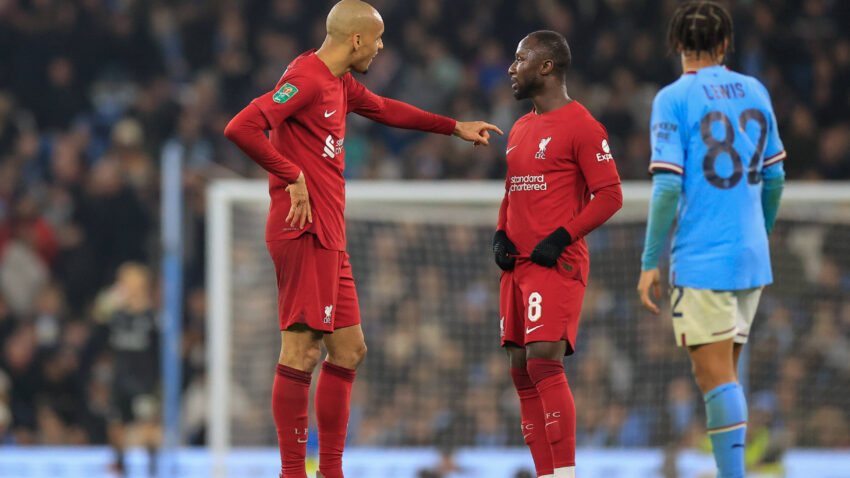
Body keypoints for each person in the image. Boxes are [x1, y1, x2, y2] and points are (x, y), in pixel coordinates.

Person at [223, 1, 502, 477]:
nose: (381, 45)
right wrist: (290, 174)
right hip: (303, 231)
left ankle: (331, 470)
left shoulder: (339, 82)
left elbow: (384, 109)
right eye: (377, 38)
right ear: (356, 39)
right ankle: (294, 472)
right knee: (301, 352)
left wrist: (452, 126)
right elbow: (241, 126)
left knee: (350, 349)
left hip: (331, 235)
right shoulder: (308, 79)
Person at [636, 2, 786, 477]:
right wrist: (759, 235)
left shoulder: (673, 98)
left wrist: (649, 260)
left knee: (714, 378)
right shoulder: (755, 90)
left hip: (703, 257)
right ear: (725, 45)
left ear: (677, 44)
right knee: (726, 378)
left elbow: (667, 186)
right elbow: (776, 177)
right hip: (751, 257)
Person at [493, 31, 623, 478]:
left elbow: (610, 195)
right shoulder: (521, 127)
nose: (511, 68)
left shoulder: (582, 125)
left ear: (546, 66)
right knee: (519, 368)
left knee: (544, 360)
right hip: (518, 266)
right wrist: (500, 233)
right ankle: (546, 473)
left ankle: (564, 472)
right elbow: (512, 190)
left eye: (520, 58)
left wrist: (561, 237)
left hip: (555, 262)